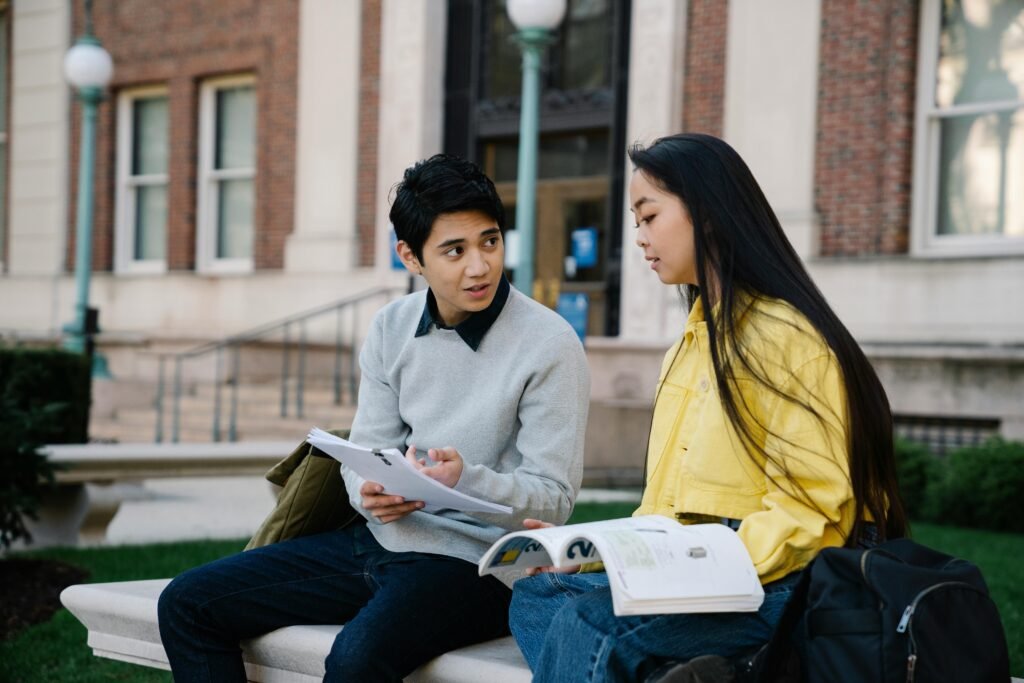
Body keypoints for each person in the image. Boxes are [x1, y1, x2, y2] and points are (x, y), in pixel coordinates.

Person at [157, 154, 591, 682]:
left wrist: (464, 479)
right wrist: (369, 488)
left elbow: (554, 496)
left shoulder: (549, 343)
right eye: (454, 250)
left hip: (477, 565)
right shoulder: (393, 326)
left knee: (356, 661)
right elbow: (367, 446)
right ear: (411, 256)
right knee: (187, 602)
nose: (479, 265)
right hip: (378, 540)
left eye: (490, 241)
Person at [507, 133, 908, 683]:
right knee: (535, 595)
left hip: (774, 581)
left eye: (649, 217)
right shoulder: (692, 343)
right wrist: (594, 552)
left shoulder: (786, 337)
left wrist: (696, 574)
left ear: (709, 213)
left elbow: (813, 511)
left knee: (588, 625)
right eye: (636, 222)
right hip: (690, 565)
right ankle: (701, 673)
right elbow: (664, 508)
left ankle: (716, 666)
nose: (640, 239)